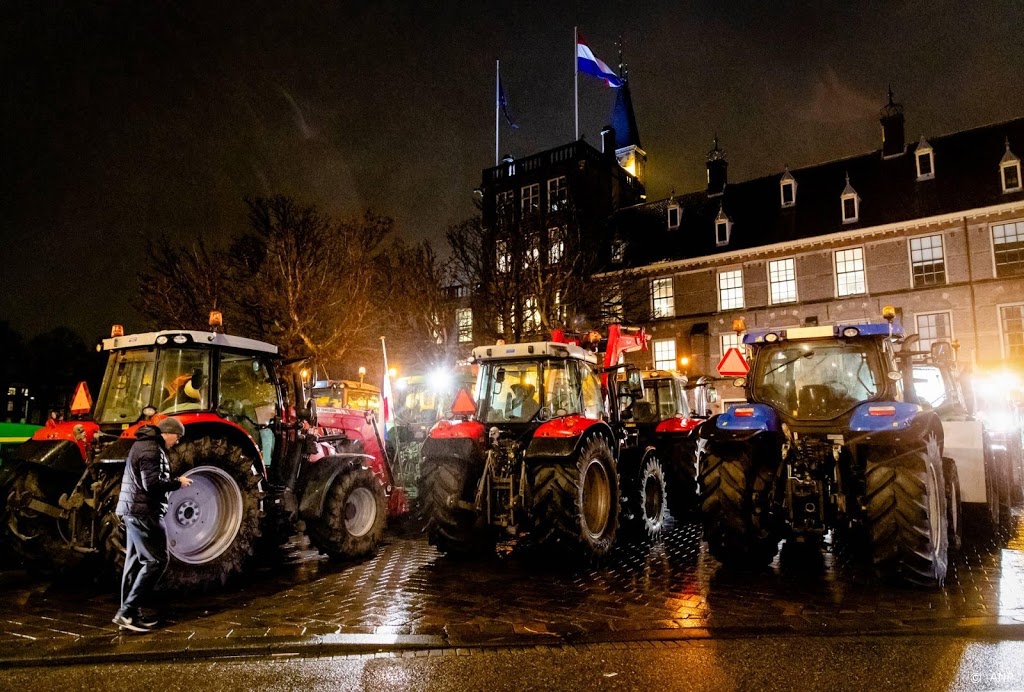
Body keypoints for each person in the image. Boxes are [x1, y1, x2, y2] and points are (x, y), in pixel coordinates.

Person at [112, 417, 193, 633]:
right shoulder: (152, 450)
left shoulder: (143, 445)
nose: (177, 442)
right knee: (157, 559)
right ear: (168, 432)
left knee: (135, 562)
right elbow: (152, 484)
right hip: (144, 512)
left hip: (134, 511)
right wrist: (178, 483)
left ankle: (129, 613)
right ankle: (127, 612)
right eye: (177, 437)